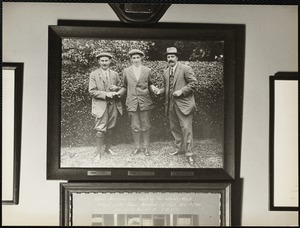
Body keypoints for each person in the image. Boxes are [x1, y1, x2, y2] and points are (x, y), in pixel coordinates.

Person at [159, 47, 198, 165]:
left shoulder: (186, 69)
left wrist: (182, 91)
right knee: (175, 128)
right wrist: (159, 91)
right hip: (170, 105)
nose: (170, 59)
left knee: (186, 129)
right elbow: (166, 88)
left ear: (177, 57)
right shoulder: (166, 72)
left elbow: (194, 83)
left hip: (184, 105)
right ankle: (180, 149)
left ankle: (189, 154)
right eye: (168, 57)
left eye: (172, 56)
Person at [117, 49, 159, 156]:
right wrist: (119, 93)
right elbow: (124, 86)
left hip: (145, 102)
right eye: (134, 58)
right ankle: (137, 147)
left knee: (146, 126)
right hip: (132, 102)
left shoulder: (147, 70)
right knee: (135, 127)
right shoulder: (126, 71)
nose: (136, 60)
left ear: (141, 58)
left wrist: (153, 88)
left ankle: (146, 148)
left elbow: (150, 83)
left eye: (138, 58)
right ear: (131, 59)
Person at [88, 52, 123, 161]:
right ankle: (98, 153)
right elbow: (92, 91)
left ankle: (108, 148)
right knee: (100, 128)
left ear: (110, 61)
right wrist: (106, 94)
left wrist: (116, 88)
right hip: (101, 105)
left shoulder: (115, 74)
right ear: (99, 62)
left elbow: (121, 87)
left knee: (111, 127)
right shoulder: (94, 74)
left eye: (106, 60)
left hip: (113, 105)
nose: (104, 63)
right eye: (102, 61)